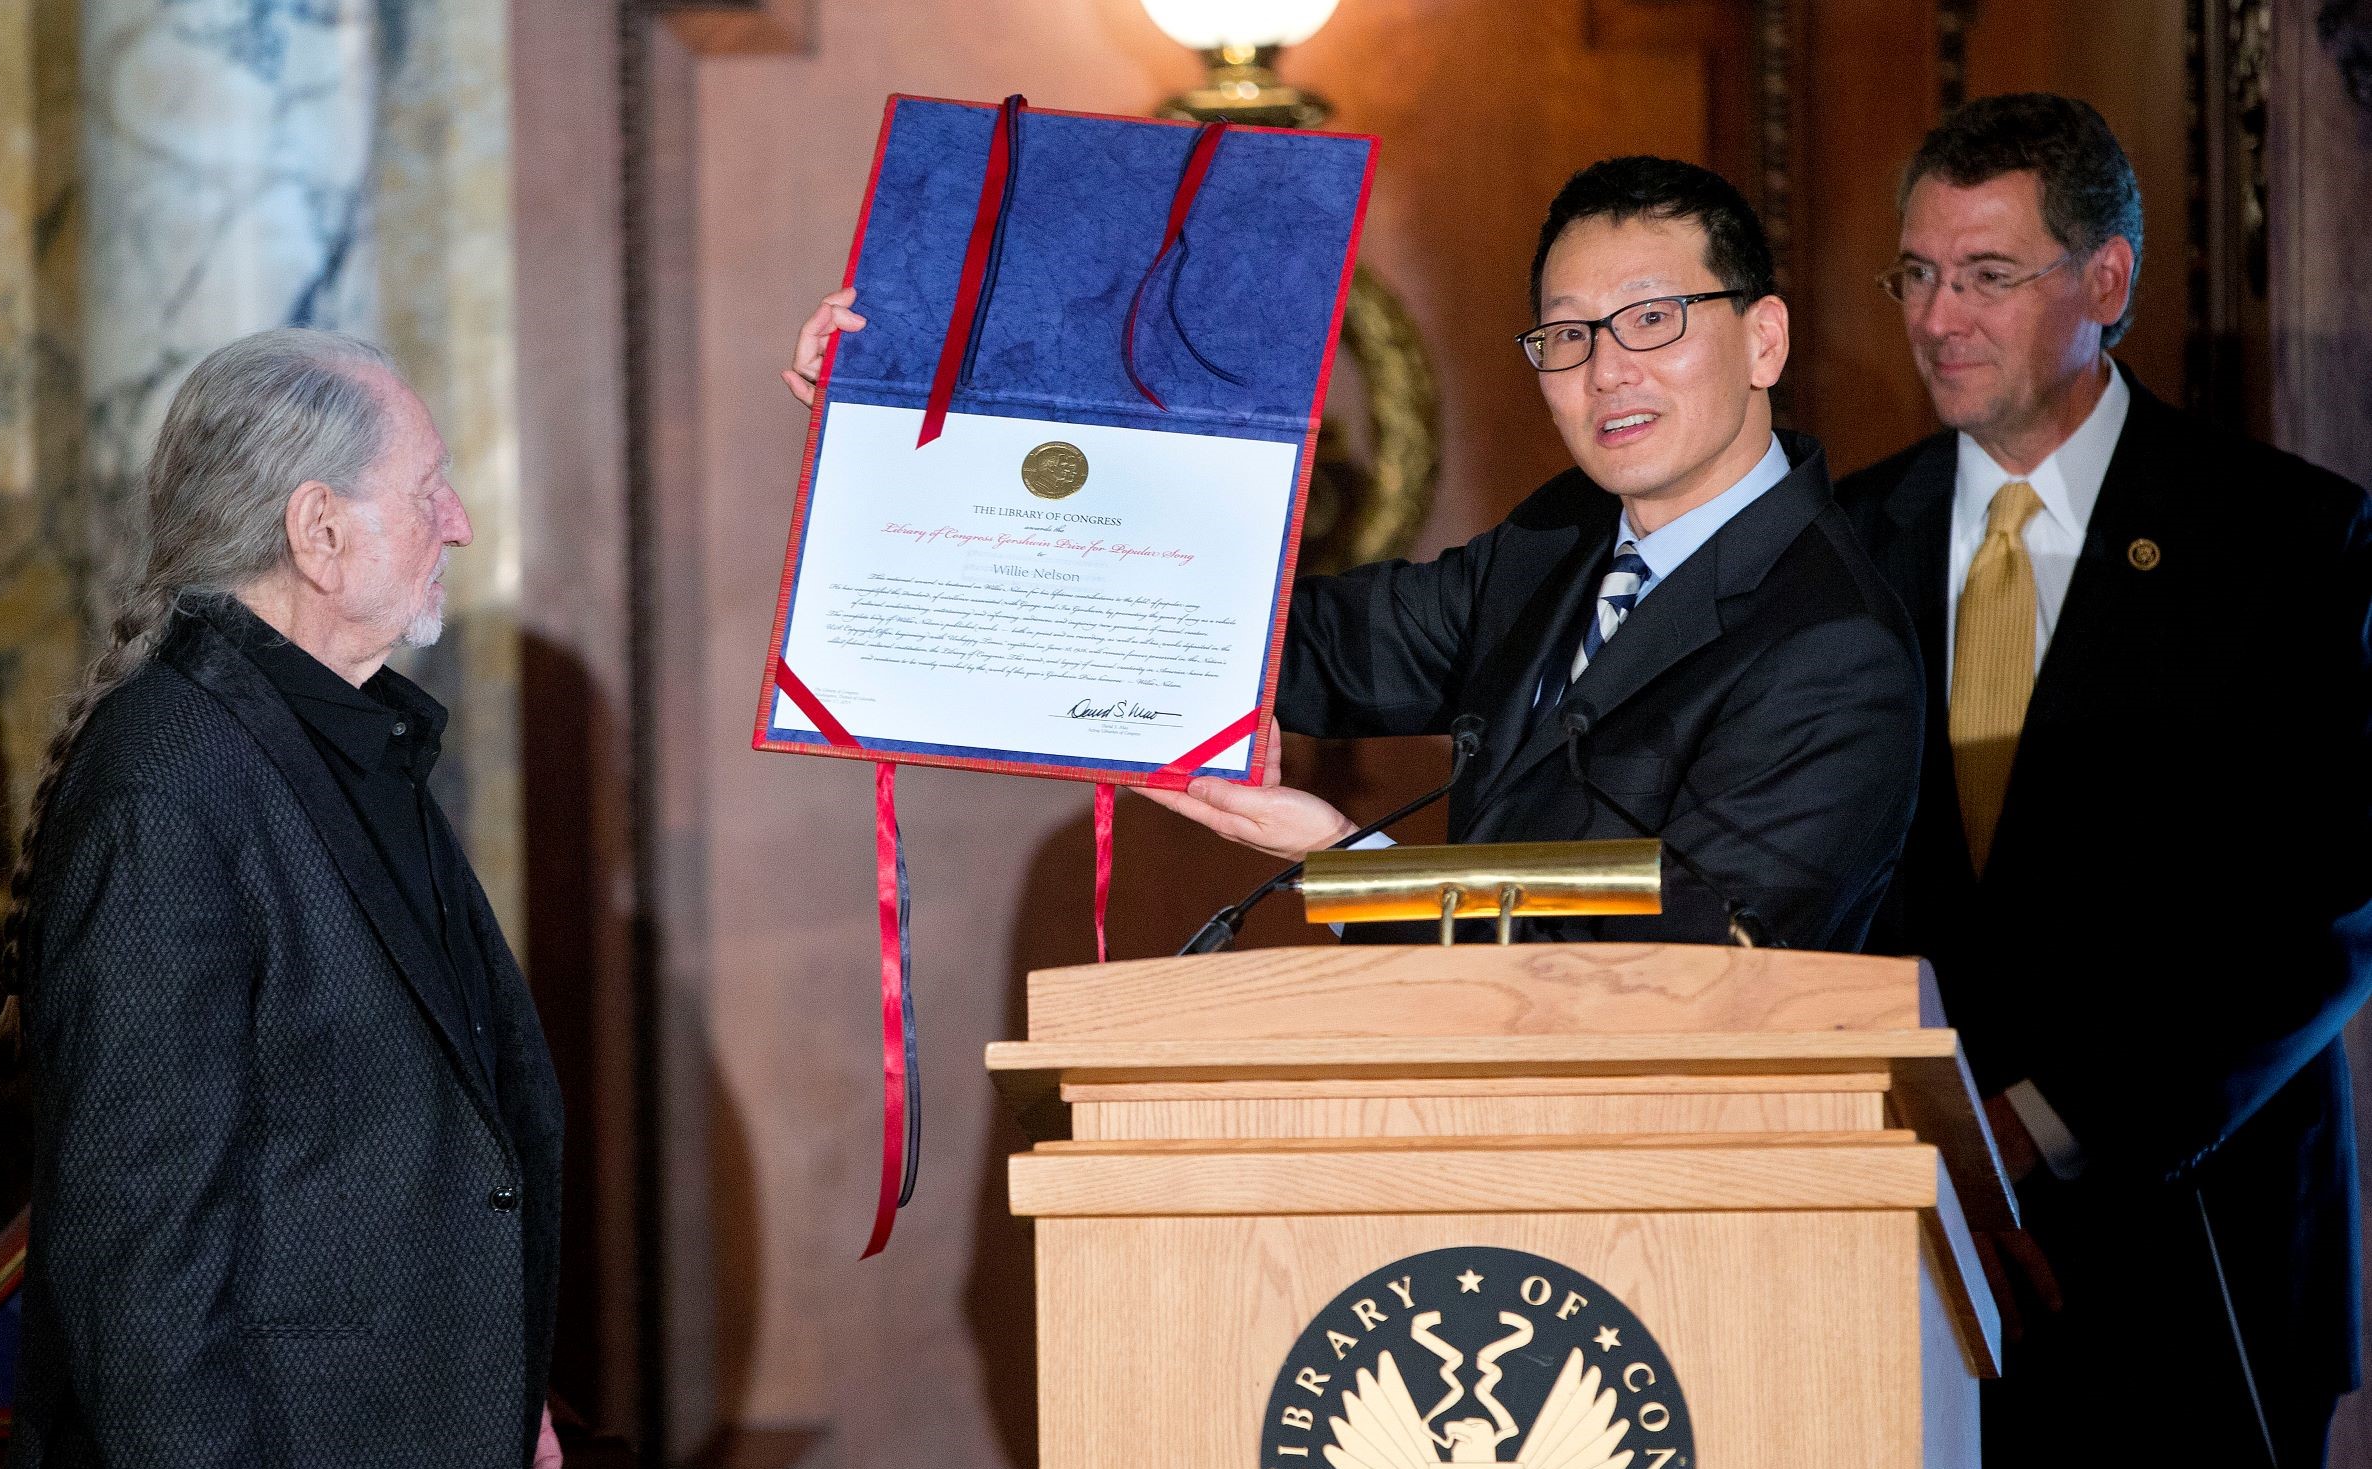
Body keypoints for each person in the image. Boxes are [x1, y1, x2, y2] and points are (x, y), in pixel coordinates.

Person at [788, 157, 1925, 950]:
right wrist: (939, 451)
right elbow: (1275, 644)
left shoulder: (1832, 645)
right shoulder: (1557, 542)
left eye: (1653, 319)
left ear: (1762, 338)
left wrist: (1348, 856)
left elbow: (1680, 965)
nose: (1606, 369)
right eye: (1567, 334)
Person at [1839, 93, 2372, 1469]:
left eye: (1988, 274)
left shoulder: (2285, 543)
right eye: (1917, 274)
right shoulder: (1838, 544)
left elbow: (2324, 909)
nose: (1939, 317)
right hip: (1910, 1265)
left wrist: (2037, 1123)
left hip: (2192, 1282)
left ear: (2107, 284)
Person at [0, 329, 567, 1469]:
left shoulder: (336, 751)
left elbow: (368, 1154)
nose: (458, 523)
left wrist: (486, 1391)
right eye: (429, 488)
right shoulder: (168, 784)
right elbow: (140, 1271)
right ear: (320, 530)